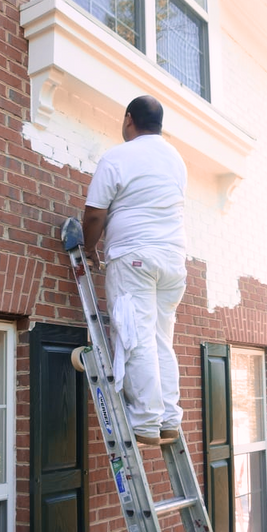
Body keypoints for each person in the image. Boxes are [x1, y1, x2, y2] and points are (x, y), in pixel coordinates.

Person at [82, 95, 187, 447]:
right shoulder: (175, 160)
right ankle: (168, 419)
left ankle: (145, 422)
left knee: (135, 335)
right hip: (173, 262)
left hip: (135, 258)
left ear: (129, 119)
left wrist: (90, 246)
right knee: (161, 340)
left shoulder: (119, 155)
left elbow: (95, 213)